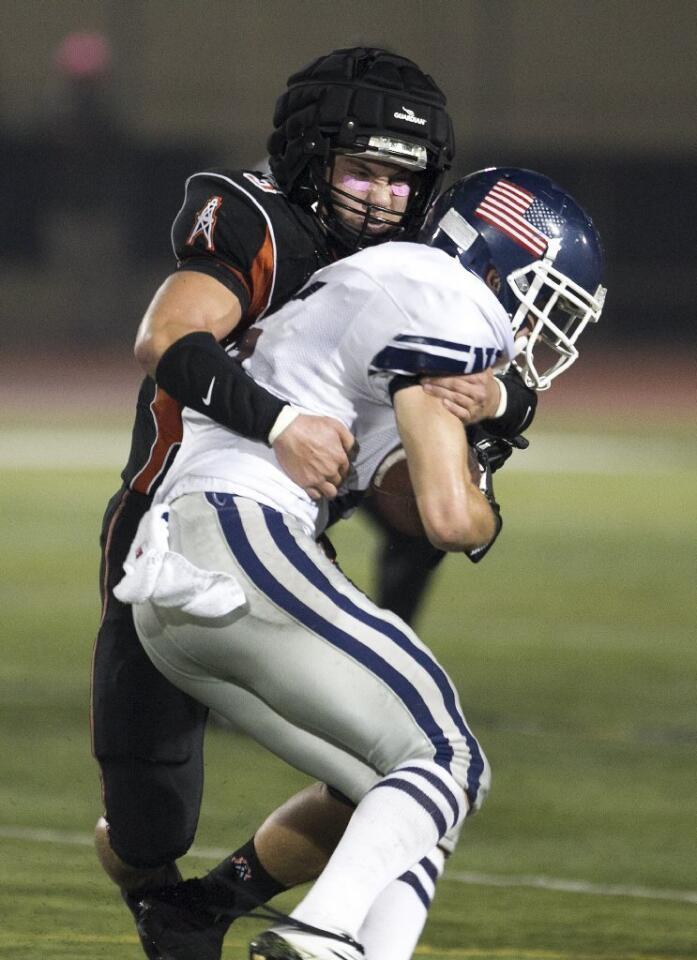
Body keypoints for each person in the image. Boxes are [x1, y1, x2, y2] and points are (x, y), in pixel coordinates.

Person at [114, 166, 606, 960]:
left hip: (183, 576)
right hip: (239, 534)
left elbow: (404, 498)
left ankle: (233, 918)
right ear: (497, 264)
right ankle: (318, 936)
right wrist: (488, 488)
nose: (541, 329)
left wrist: (484, 418)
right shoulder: (448, 296)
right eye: (545, 295)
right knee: (446, 755)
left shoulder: (384, 291)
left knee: (414, 787)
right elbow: (450, 520)